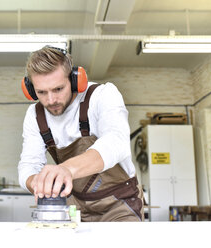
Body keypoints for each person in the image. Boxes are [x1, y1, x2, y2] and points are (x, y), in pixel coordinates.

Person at [18, 46, 144, 221]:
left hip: (118, 202)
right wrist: (37, 183)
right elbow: (28, 165)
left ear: (75, 80)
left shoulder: (102, 95)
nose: (51, 100)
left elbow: (117, 142)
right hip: (73, 206)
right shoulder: (35, 115)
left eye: (58, 89)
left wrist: (67, 169)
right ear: (31, 90)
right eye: (41, 92)